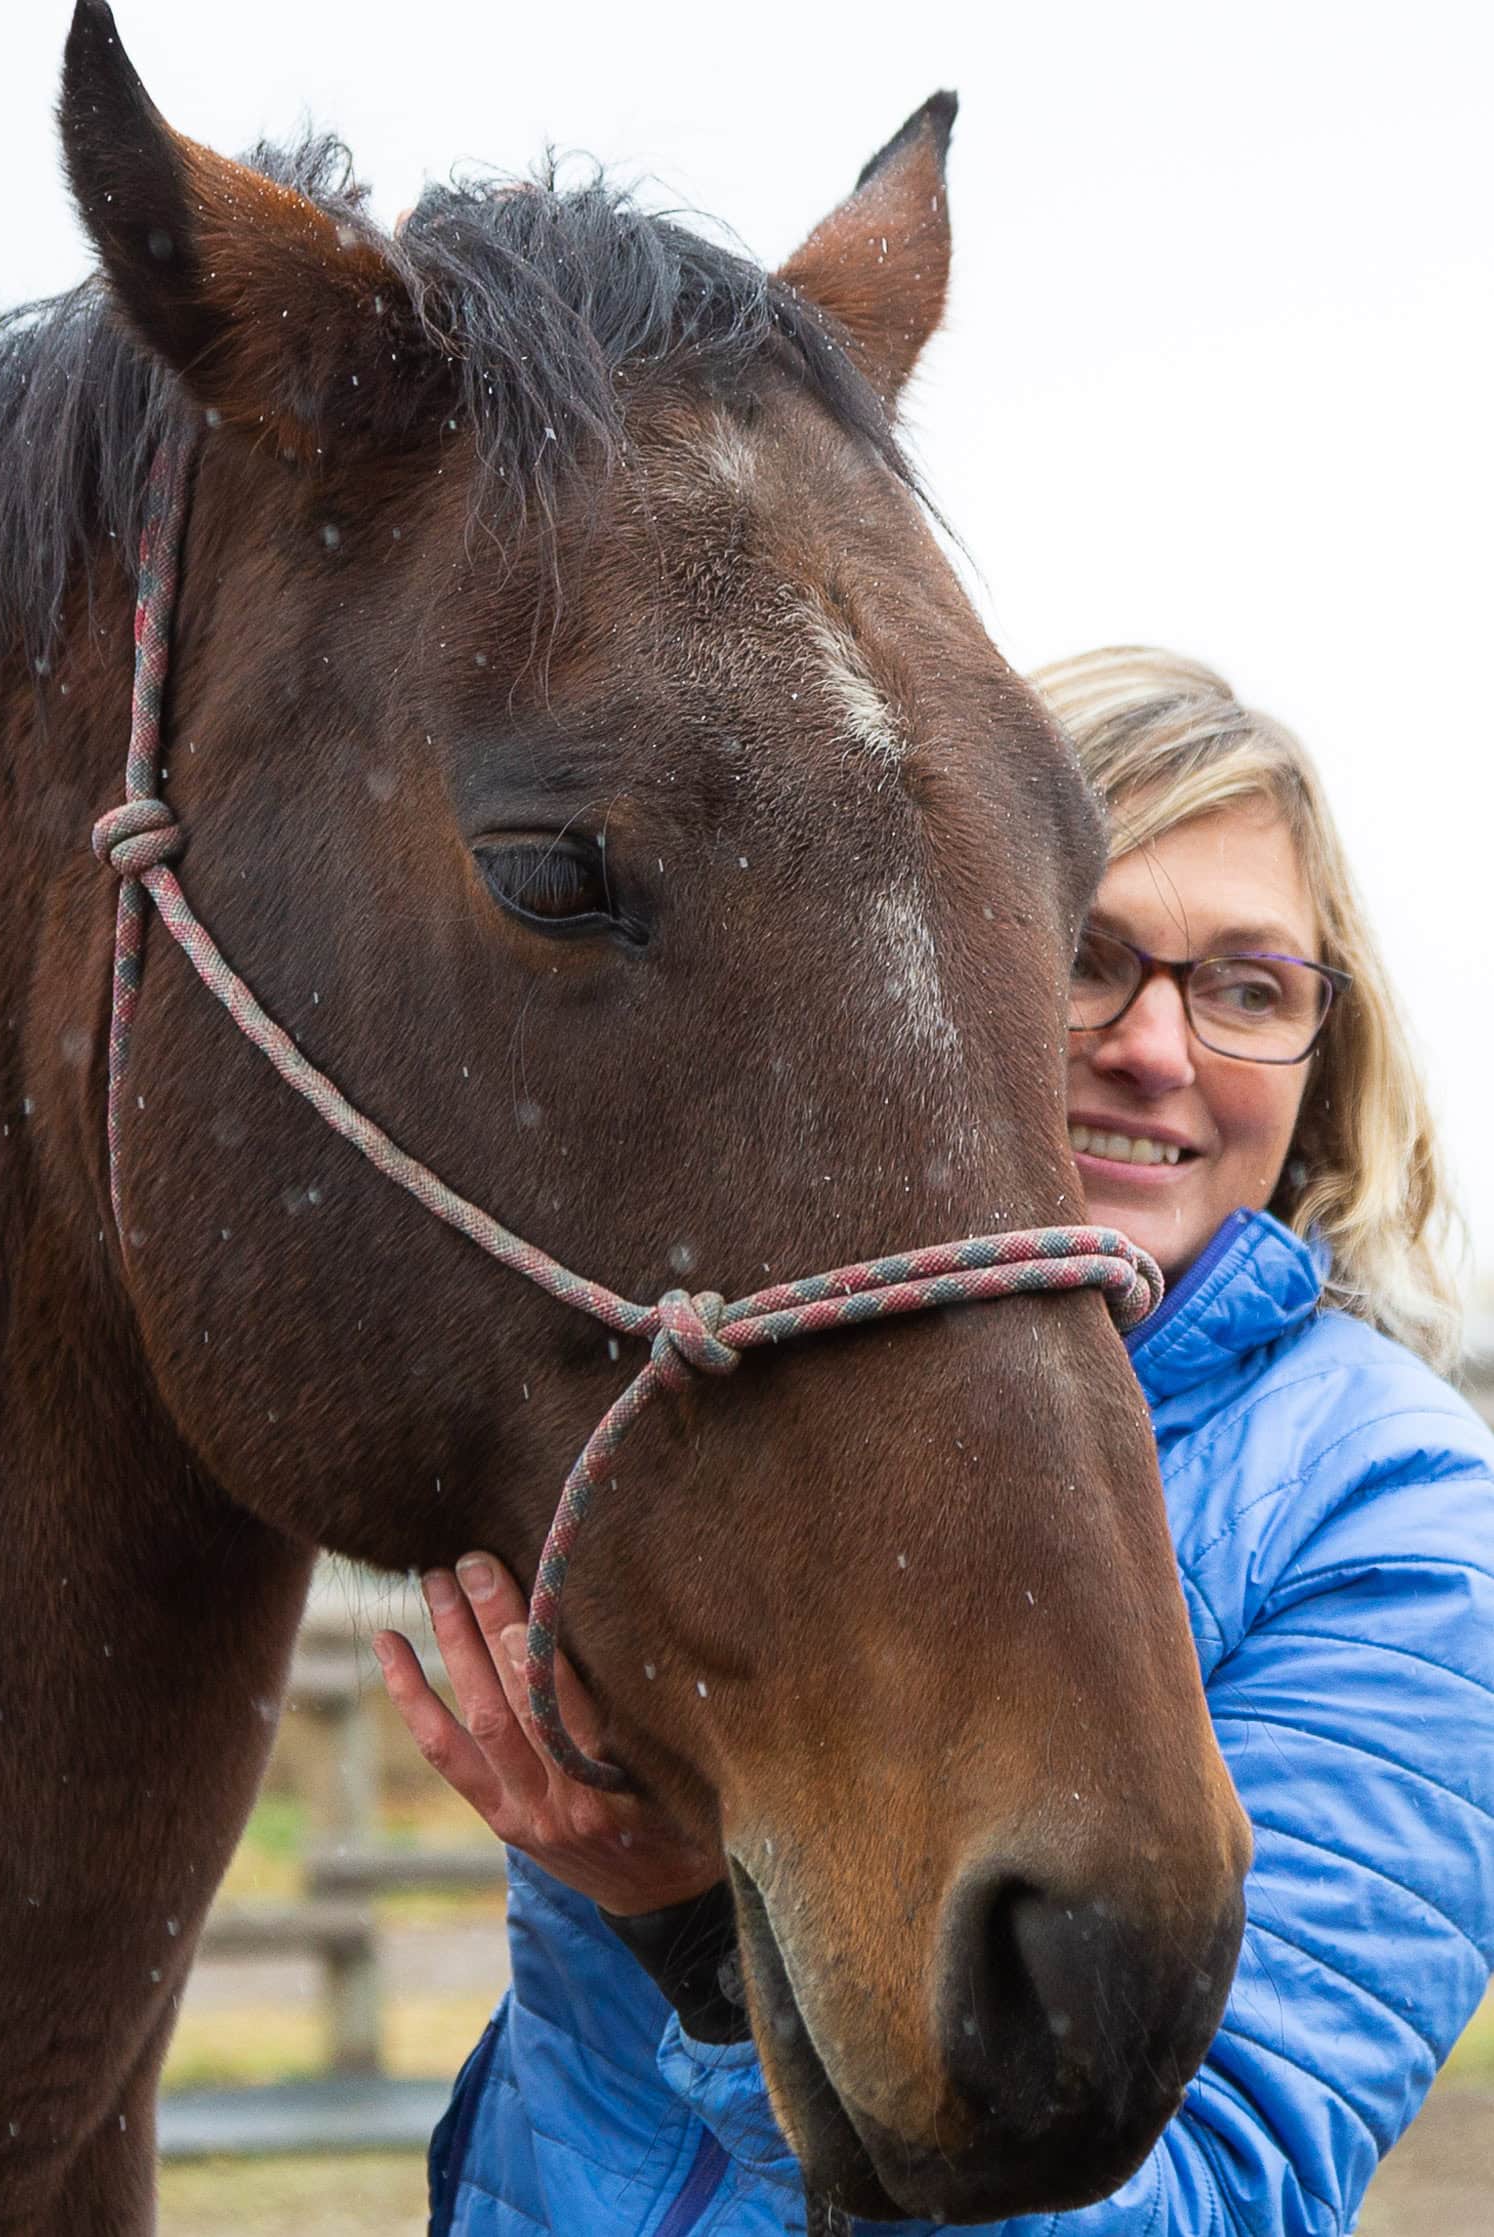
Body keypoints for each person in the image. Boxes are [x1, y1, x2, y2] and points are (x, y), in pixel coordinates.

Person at [375, 646, 1494, 2235]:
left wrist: (694, 1936)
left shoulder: (1398, 1516)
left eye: (1246, 986)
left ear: (1321, 1063)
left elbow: (1212, 2198)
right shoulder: (742, 1377)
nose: (1158, 1050)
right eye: (1083, 956)